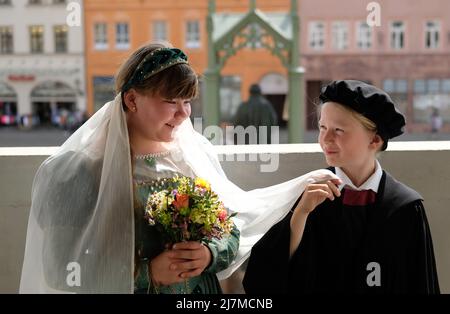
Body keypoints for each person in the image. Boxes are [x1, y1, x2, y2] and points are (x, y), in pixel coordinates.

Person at [19, 42, 339, 294]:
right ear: (132, 100)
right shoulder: (78, 172)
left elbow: (230, 231)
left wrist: (210, 254)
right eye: (172, 101)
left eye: (187, 101)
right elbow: (61, 269)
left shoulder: (191, 156)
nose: (184, 113)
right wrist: (146, 274)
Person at [243, 80, 440, 294]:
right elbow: (262, 281)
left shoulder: (405, 208)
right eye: (322, 127)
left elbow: (421, 283)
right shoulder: (308, 200)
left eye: (338, 130)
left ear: (374, 139)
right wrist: (300, 214)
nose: (326, 138)